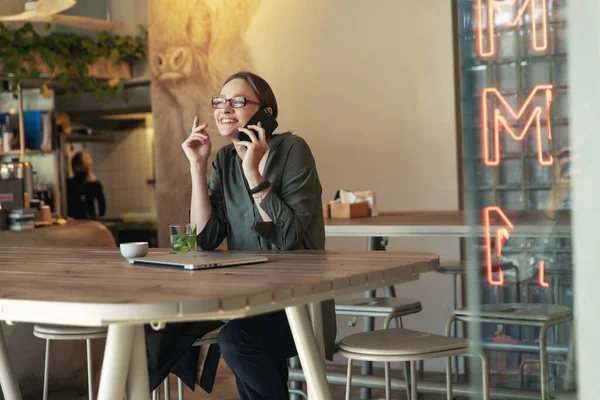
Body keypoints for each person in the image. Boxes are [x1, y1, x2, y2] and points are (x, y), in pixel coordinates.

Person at [181, 71, 336, 399]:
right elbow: (204, 238)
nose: (225, 108)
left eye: (238, 101)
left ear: (266, 112)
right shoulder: (223, 161)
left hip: (299, 305)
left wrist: (253, 171)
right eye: (220, 101)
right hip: (251, 302)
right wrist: (198, 166)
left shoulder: (293, 150)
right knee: (168, 332)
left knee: (237, 340)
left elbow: (288, 237)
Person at [66, 151, 106, 220]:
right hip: (90, 220)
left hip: (73, 221)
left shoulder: (69, 183)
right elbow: (102, 208)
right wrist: (96, 216)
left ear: (74, 167)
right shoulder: (95, 183)